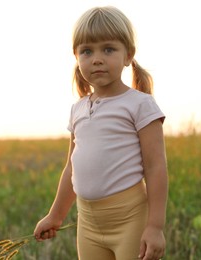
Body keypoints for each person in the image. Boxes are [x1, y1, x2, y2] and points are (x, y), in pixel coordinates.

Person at [33, 5, 168, 260]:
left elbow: (156, 167)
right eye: (87, 51)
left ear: (128, 55)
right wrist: (55, 215)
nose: (97, 58)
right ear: (76, 57)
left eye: (108, 49)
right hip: (89, 223)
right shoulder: (78, 109)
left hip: (130, 219)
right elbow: (71, 169)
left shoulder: (140, 104)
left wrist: (155, 227)